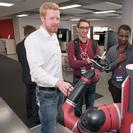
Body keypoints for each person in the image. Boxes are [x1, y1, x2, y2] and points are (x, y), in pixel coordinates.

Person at [24, 2, 73, 133]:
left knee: (54, 124)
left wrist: (62, 84)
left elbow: (55, 67)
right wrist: (58, 82)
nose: (56, 22)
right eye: (52, 18)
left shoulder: (54, 36)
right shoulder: (33, 40)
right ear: (42, 18)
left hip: (58, 92)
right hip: (46, 94)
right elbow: (35, 72)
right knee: (48, 129)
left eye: (58, 18)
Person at [67, 19, 101, 117]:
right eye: (82, 27)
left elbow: (97, 62)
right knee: (77, 105)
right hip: (79, 79)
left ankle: (88, 124)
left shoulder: (94, 44)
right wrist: (86, 61)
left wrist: (97, 71)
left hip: (91, 79)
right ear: (77, 29)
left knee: (90, 105)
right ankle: (78, 126)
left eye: (86, 28)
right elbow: (72, 64)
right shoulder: (72, 45)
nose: (84, 30)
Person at [106, 24, 133, 103]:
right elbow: (107, 69)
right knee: (118, 110)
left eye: (126, 36)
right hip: (115, 86)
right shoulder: (111, 50)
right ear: (117, 35)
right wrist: (118, 61)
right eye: (121, 35)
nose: (123, 38)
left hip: (130, 87)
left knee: (128, 111)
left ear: (129, 36)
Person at [16, 25, 39, 122]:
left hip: (25, 75)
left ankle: (29, 113)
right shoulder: (34, 45)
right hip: (34, 75)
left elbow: (20, 60)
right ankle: (36, 117)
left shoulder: (19, 45)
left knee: (28, 95)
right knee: (35, 96)